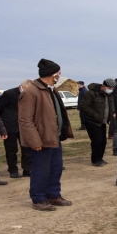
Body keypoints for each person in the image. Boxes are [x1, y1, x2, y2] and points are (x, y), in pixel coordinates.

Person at [19, 58, 74, 211]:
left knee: (55, 168)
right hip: (41, 140)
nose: (60, 76)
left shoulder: (51, 90)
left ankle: (53, 195)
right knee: (41, 170)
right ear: (53, 74)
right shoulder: (31, 92)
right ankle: (38, 198)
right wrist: (35, 141)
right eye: (59, 73)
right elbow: (25, 119)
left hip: (54, 137)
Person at [0, 79, 33, 178]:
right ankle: (13, 170)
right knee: (11, 150)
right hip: (10, 126)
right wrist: (3, 123)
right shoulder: (9, 93)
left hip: (25, 126)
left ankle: (27, 169)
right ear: (22, 86)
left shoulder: (31, 94)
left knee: (27, 149)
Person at [80, 79, 116, 166]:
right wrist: (95, 115)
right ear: (103, 86)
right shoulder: (92, 93)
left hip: (103, 122)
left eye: (112, 88)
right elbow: (83, 105)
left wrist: (113, 113)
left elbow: (112, 106)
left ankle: (100, 158)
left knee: (103, 141)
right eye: (109, 88)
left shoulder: (110, 95)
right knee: (97, 141)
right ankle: (95, 160)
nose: (111, 90)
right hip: (92, 121)